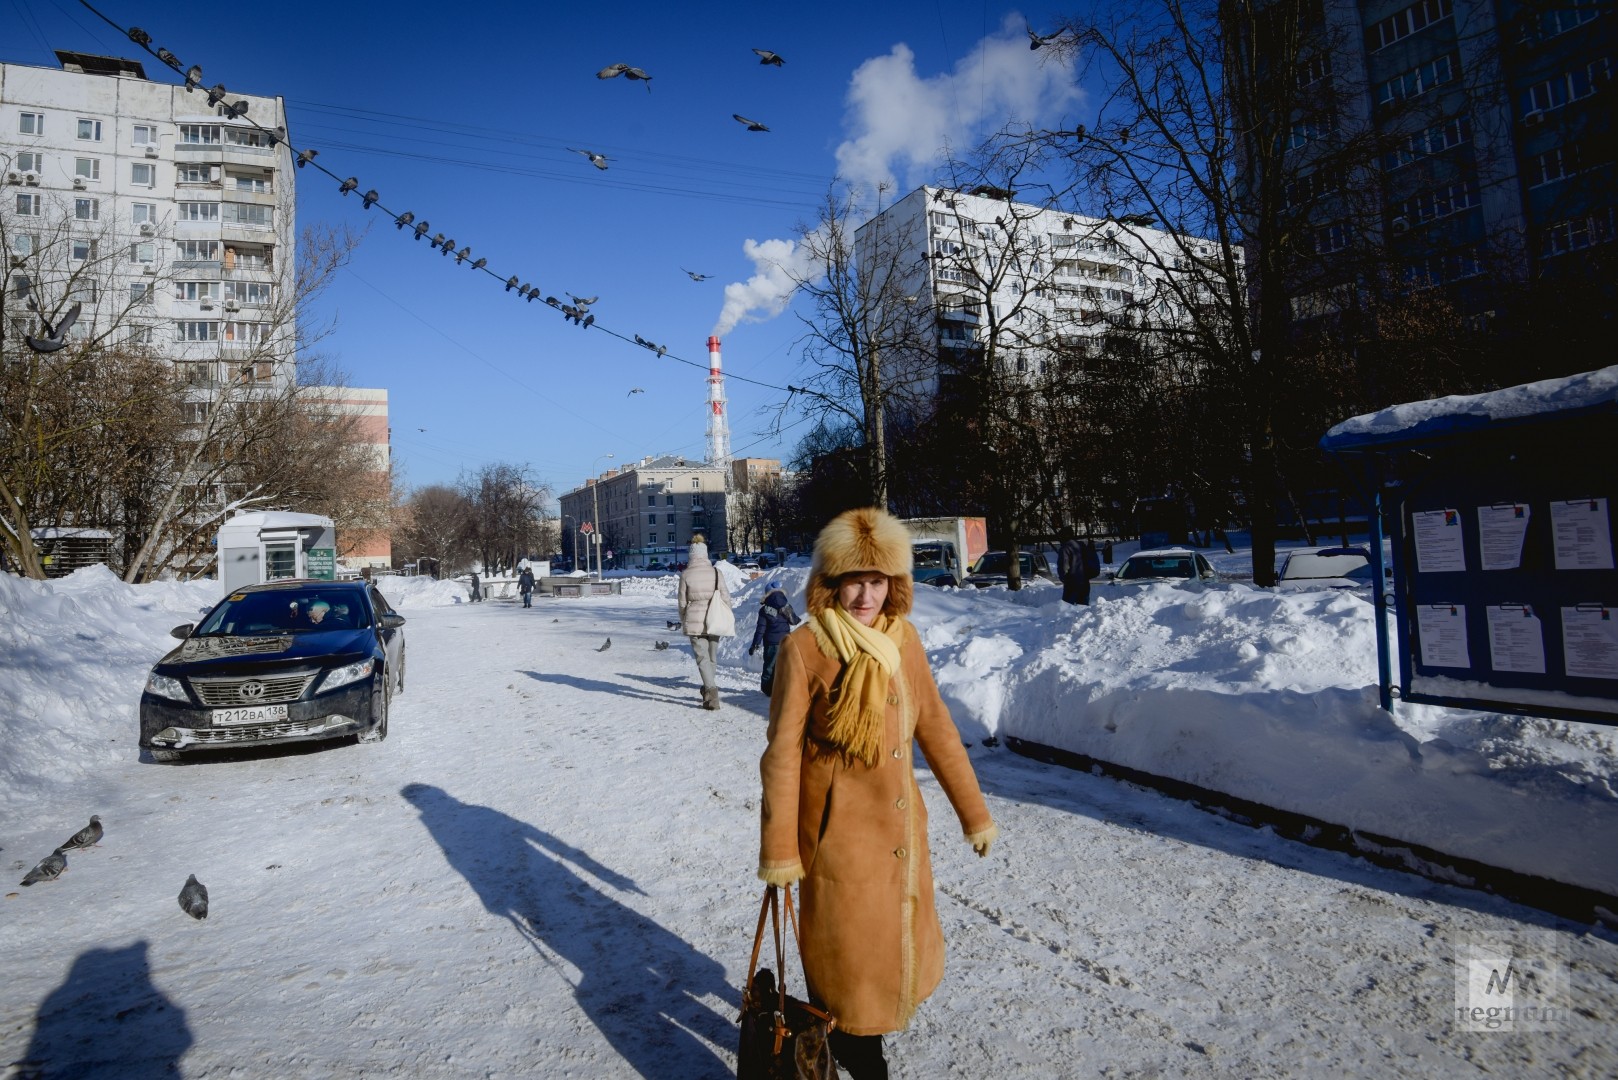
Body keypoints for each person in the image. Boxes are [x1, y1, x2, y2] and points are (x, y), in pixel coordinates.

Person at [758, 507, 997, 1080]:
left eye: (876, 580)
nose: (865, 595)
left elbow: (935, 726)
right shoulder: (805, 649)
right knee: (849, 988)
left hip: (900, 838)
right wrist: (781, 851)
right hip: (837, 845)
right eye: (853, 581)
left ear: (895, 584)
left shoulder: (903, 640)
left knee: (892, 968)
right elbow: (782, 755)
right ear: (831, 583)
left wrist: (974, 813)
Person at [676, 534, 733, 710]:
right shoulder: (717, 572)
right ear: (706, 554)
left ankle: (711, 693)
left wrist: (684, 618)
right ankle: (708, 691)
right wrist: (727, 614)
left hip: (695, 622)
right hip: (715, 619)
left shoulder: (686, 574)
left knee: (702, 659)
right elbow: (726, 598)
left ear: (691, 555)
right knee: (712, 657)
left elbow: (682, 602)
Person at [747, 581, 799, 698]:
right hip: (786, 641)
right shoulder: (786, 606)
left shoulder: (764, 610)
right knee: (783, 666)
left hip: (771, 643)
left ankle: (768, 691)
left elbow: (761, 629)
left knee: (769, 667)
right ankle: (784, 689)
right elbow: (794, 621)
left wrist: (755, 644)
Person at [1057, 528, 1090, 606]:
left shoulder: (1065, 548)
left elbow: (1064, 566)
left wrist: (1064, 579)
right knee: (1083, 609)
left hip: (1071, 583)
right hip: (1085, 582)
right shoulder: (1082, 545)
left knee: (1067, 608)